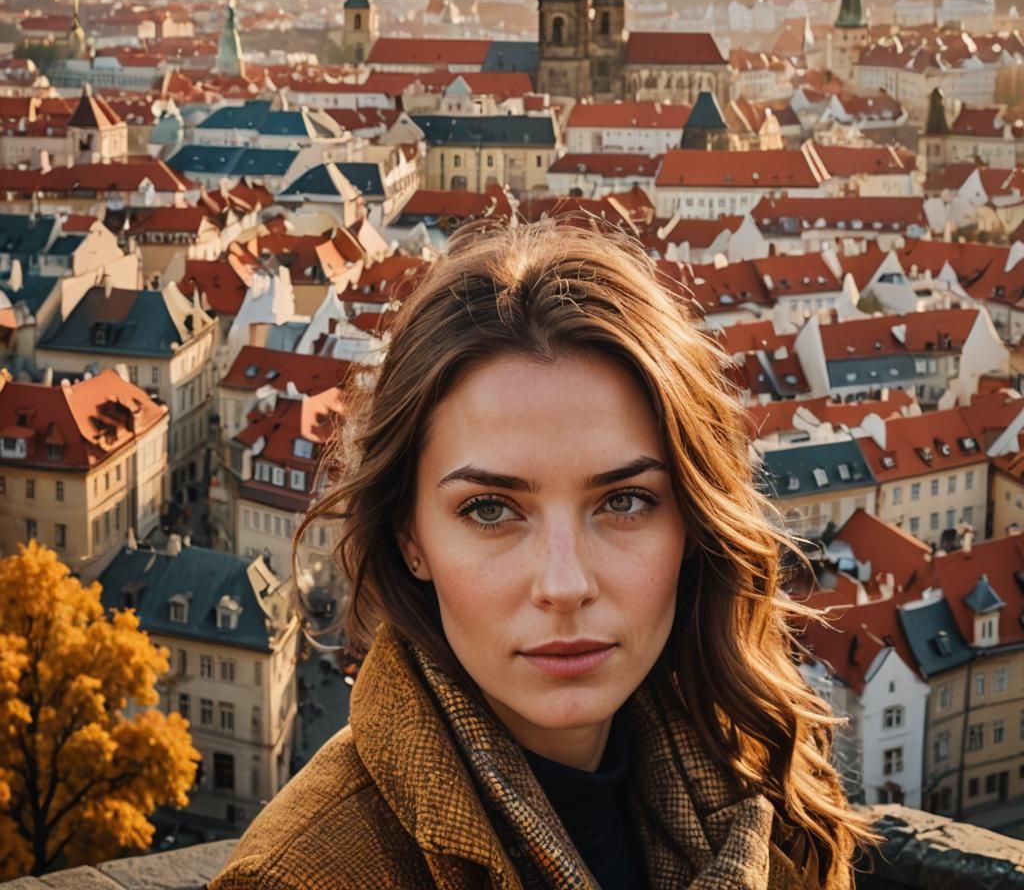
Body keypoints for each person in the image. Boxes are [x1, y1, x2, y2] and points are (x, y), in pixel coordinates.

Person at [208, 218, 880, 890]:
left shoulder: (762, 785)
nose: (564, 584)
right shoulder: (300, 877)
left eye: (624, 501)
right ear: (410, 539)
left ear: (692, 523)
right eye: (491, 510)